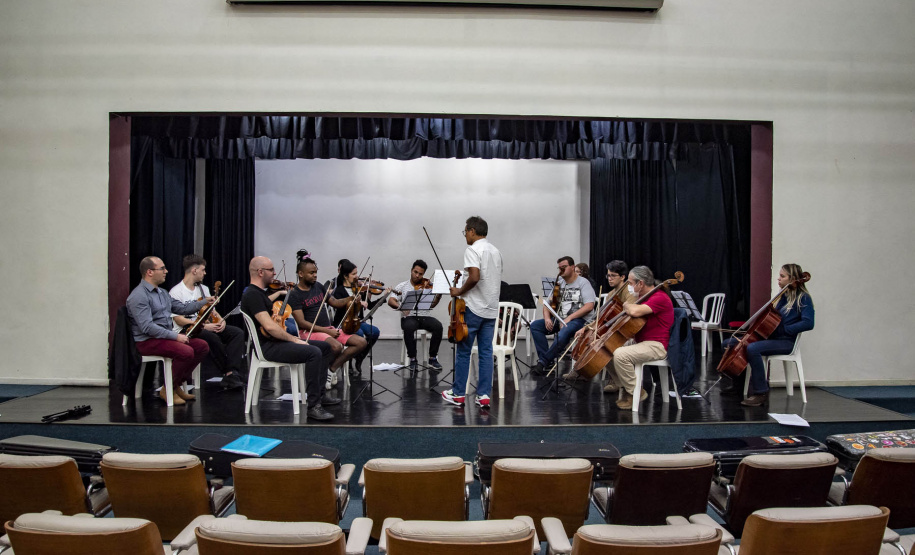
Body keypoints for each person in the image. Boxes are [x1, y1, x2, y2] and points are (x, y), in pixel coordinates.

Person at [240, 256, 339, 421]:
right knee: (313, 352)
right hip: (268, 348)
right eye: (271, 270)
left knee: (325, 347)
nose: (274, 273)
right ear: (260, 272)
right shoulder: (252, 295)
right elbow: (270, 327)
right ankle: (313, 406)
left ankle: (320, 395)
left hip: (276, 343)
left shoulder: (259, 293)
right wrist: (294, 339)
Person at [721, 263, 815, 407]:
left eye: (782, 276)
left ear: (792, 279)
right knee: (730, 343)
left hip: (786, 342)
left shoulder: (803, 298)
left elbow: (808, 323)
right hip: (773, 338)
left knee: (753, 348)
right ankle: (738, 385)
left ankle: (761, 392)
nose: (779, 279)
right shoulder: (783, 296)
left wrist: (786, 329)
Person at [126, 256, 213, 406]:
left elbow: (183, 308)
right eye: (162, 269)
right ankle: (168, 389)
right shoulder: (139, 296)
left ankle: (174, 385)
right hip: (146, 341)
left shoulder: (162, 293)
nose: (166, 271)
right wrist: (175, 336)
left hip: (162, 338)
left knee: (201, 346)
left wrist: (205, 302)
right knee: (185, 351)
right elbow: (147, 327)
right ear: (150, 272)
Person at [442, 216, 503, 408]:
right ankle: (483, 395)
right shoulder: (496, 251)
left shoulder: (472, 249)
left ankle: (459, 394)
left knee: (463, 351)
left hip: (474, 309)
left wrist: (459, 291)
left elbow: (475, 276)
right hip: (491, 309)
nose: (465, 236)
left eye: (465, 231)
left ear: (472, 231)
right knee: (486, 353)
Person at [169, 255, 246, 390]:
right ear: (194, 270)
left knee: (237, 333)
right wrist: (204, 326)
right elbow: (178, 319)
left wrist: (221, 320)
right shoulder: (176, 292)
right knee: (211, 337)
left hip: (205, 325)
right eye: (203, 270)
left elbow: (212, 311)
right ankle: (228, 373)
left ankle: (232, 372)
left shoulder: (203, 289)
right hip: (188, 329)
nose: (205, 273)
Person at [287, 256, 368, 383]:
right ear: (301, 274)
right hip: (309, 332)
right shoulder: (294, 294)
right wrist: (327, 331)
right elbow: (302, 323)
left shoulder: (318, 286)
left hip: (327, 330)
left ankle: (330, 369)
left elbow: (335, 302)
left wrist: (351, 299)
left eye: (316, 272)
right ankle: (321, 375)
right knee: (336, 346)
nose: (315, 275)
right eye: (311, 273)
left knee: (361, 342)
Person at [607, 266, 675, 410]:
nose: (629, 287)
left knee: (620, 355)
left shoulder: (659, 297)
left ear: (641, 283)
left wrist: (626, 303)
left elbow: (634, 310)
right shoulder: (644, 297)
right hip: (644, 342)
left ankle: (636, 393)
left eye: (631, 283)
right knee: (606, 349)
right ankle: (625, 386)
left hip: (657, 345)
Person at [530, 256, 597, 375]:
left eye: (564, 267)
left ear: (572, 267)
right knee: (535, 326)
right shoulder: (559, 284)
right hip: (560, 319)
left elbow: (589, 306)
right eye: (559, 268)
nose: (561, 270)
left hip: (578, 320)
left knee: (564, 332)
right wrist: (546, 319)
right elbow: (547, 305)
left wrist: (569, 318)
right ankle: (547, 361)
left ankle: (543, 362)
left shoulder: (583, 283)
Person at [332, 260, 389, 376]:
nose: (357, 276)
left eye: (356, 273)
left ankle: (360, 357)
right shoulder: (339, 291)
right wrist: (355, 302)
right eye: (353, 274)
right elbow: (343, 309)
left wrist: (384, 297)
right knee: (359, 334)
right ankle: (348, 362)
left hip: (358, 321)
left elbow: (369, 305)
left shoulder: (357, 289)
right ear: (345, 276)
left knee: (374, 332)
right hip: (345, 322)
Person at [388, 260, 444, 371]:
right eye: (415, 272)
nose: (417, 276)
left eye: (420, 274)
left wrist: (438, 296)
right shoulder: (402, 286)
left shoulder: (427, 286)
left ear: (423, 274)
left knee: (438, 326)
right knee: (409, 327)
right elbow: (391, 300)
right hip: (409, 317)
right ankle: (412, 358)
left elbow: (432, 304)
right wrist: (401, 307)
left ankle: (432, 358)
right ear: (411, 270)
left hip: (424, 316)